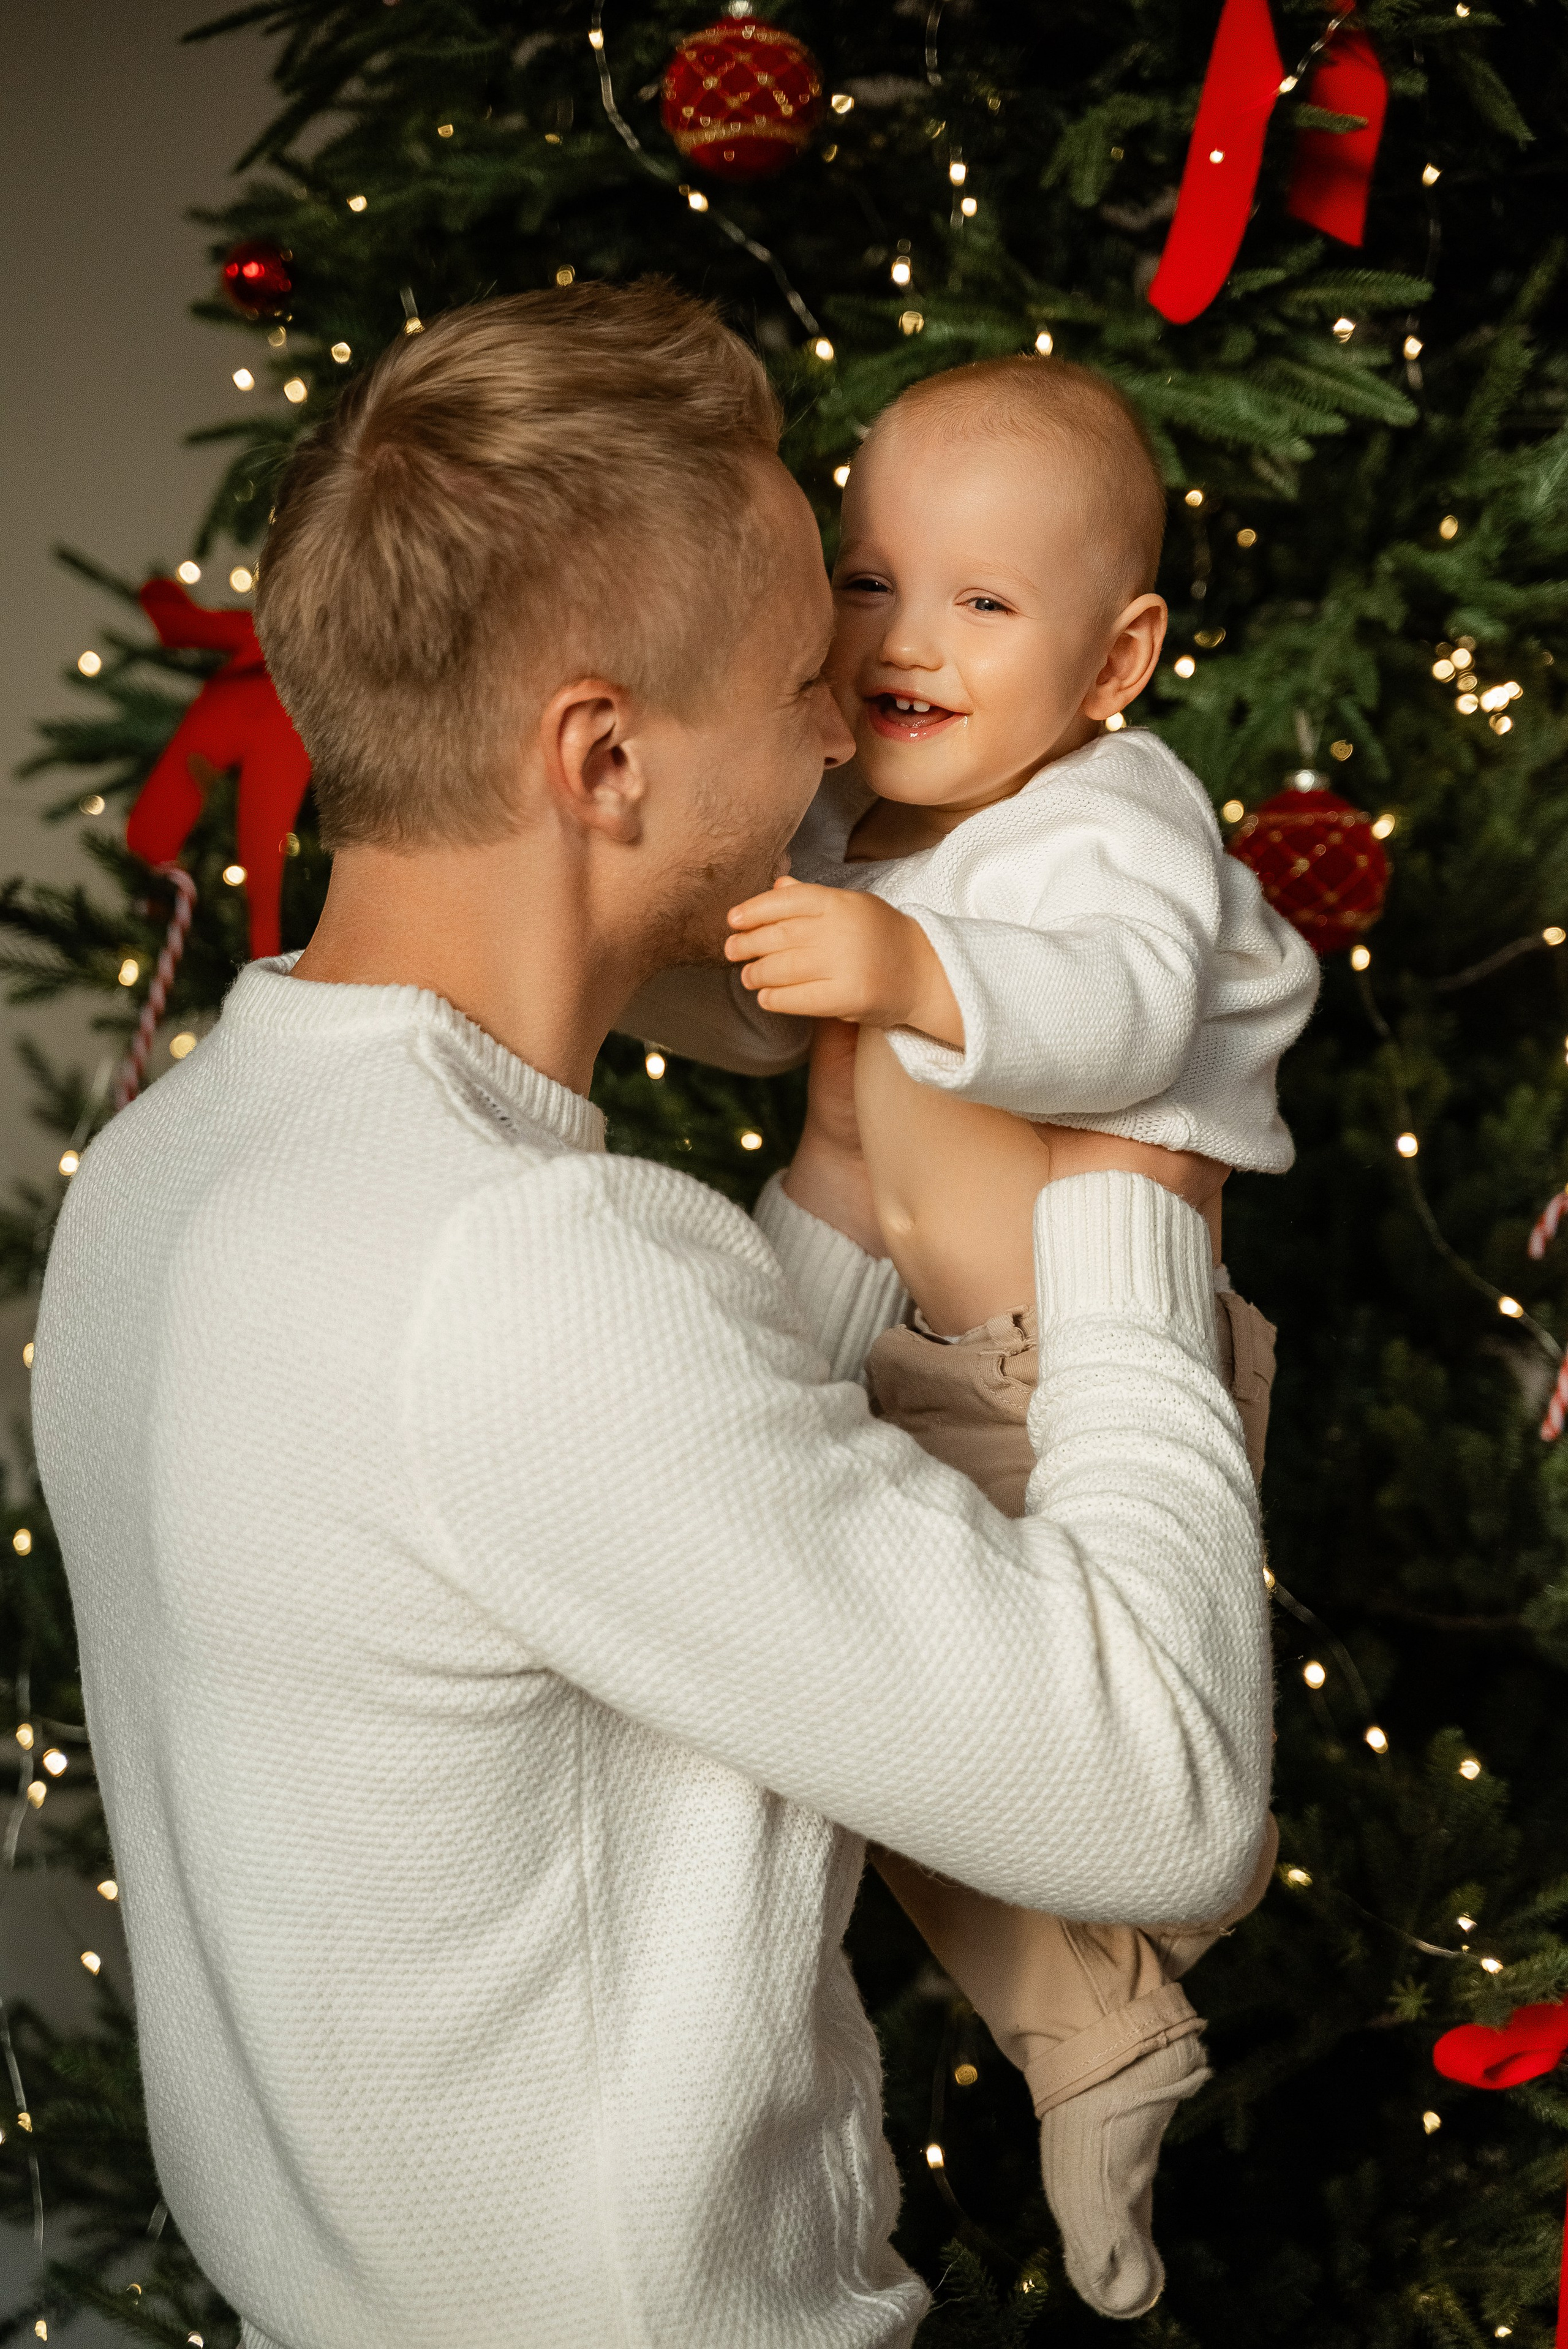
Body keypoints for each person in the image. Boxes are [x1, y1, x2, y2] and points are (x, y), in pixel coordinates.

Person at [32, 283, 1272, 2349]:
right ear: (603, 755)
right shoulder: (531, 1265)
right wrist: (1134, 1198)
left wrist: (847, 1191)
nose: (844, 728)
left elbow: (643, 1517)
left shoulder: (167, 1171)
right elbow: (1166, 1790)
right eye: (810, 673)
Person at [636, 355, 1317, 2316]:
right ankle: (1090, 2022)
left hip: (1080, 1376)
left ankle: (1105, 1999)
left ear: (1117, 664)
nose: (903, 643)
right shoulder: (862, 817)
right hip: (914, 1342)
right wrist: (632, 950)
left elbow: (1109, 1024)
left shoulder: (1118, 818)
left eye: (983, 604)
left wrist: (909, 962)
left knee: (1016, 1731)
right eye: (868, 581)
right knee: (839, 1708)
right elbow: (788, 1043)